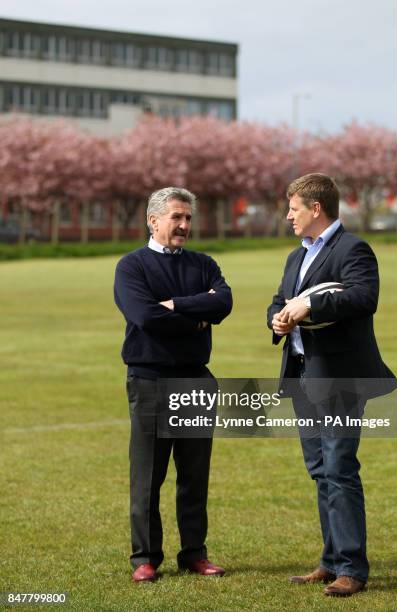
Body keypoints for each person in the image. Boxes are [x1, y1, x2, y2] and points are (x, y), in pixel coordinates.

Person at [267, 173, 397, 597]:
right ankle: (329, 561)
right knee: (320, 470)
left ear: (316, 208)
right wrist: (277, 317)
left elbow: (363, 298)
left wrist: (310, 304)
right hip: (302, 374)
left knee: (340, 469)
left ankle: (352, 569)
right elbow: (280, 298)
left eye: (294, 208)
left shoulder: (353, 248)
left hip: (340, 378)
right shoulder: (295, 256)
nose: (288, 216)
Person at [114, 187, 232, 582]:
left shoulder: (203, 263)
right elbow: (145, 317)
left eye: (188, 218)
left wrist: (177, 305)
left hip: (196, 379)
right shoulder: (132, 267)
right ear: (153, 220)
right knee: (148, 475)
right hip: (150, 379)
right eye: (176, 217)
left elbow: (224, 303)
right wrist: (198, 313)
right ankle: (145, 558)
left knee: (195, 475)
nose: (184, 225)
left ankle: (194, 553)